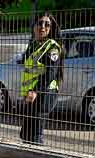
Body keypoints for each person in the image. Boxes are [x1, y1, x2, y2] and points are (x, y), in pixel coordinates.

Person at [19, 13, 64, 145]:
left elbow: (50, 74)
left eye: (47, 25)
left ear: (51, 29)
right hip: (31, 93)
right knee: (26, 134)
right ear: (34, 26)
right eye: (40, 23)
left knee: (35, 135)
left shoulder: (53, 47)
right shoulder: (34, 45)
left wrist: (35, 91)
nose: (43, 27)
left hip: (44, 93)